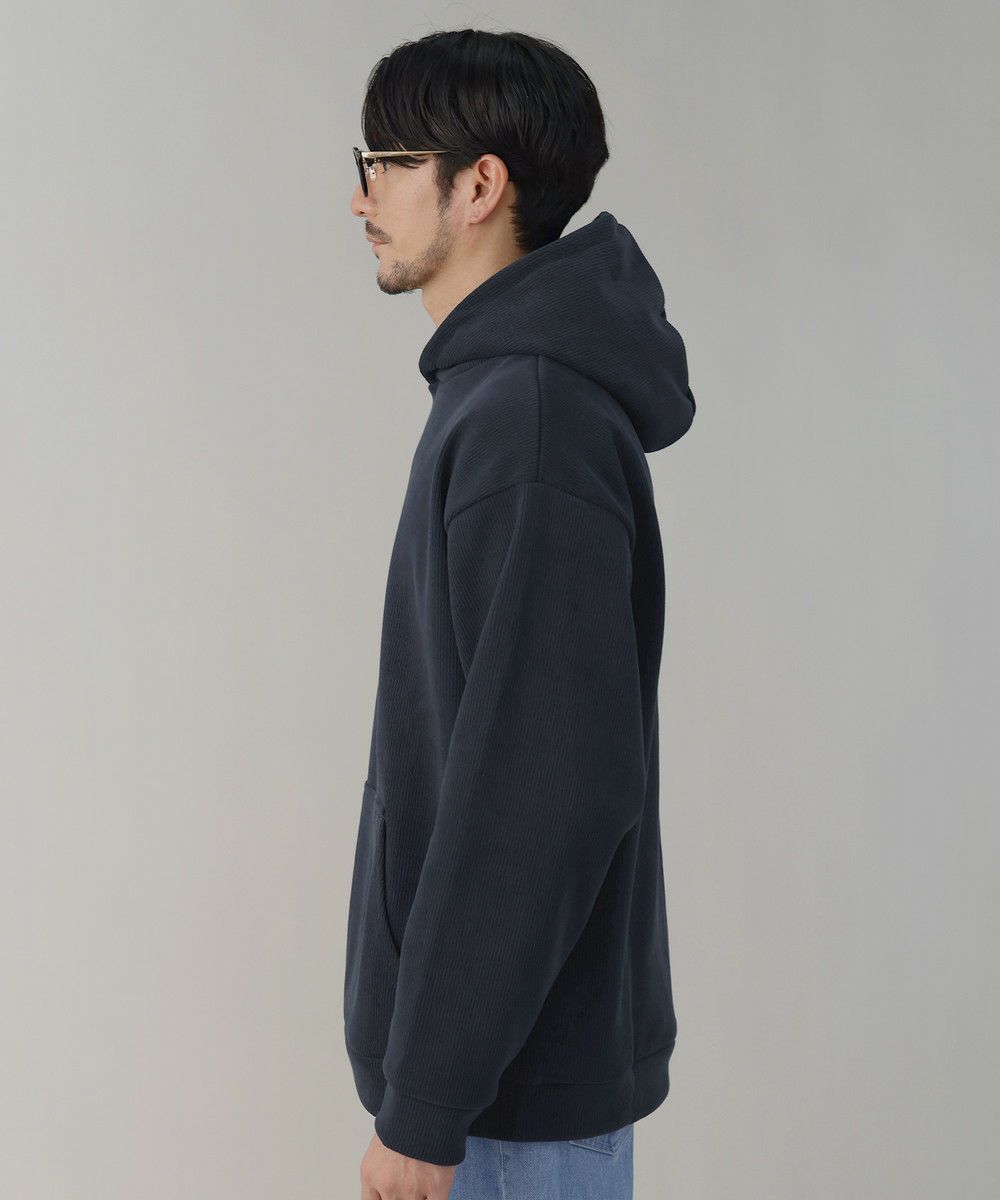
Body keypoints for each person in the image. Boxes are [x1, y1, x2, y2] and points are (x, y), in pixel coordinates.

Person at [345, 28, 695, 1200]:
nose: (361, 198)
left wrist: (427, 1105)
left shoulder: (530, 419)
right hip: (494, 1090)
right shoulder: (501, 397)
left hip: (503, 1107)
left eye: (387, 162)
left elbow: (543, 793)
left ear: (479, 184)